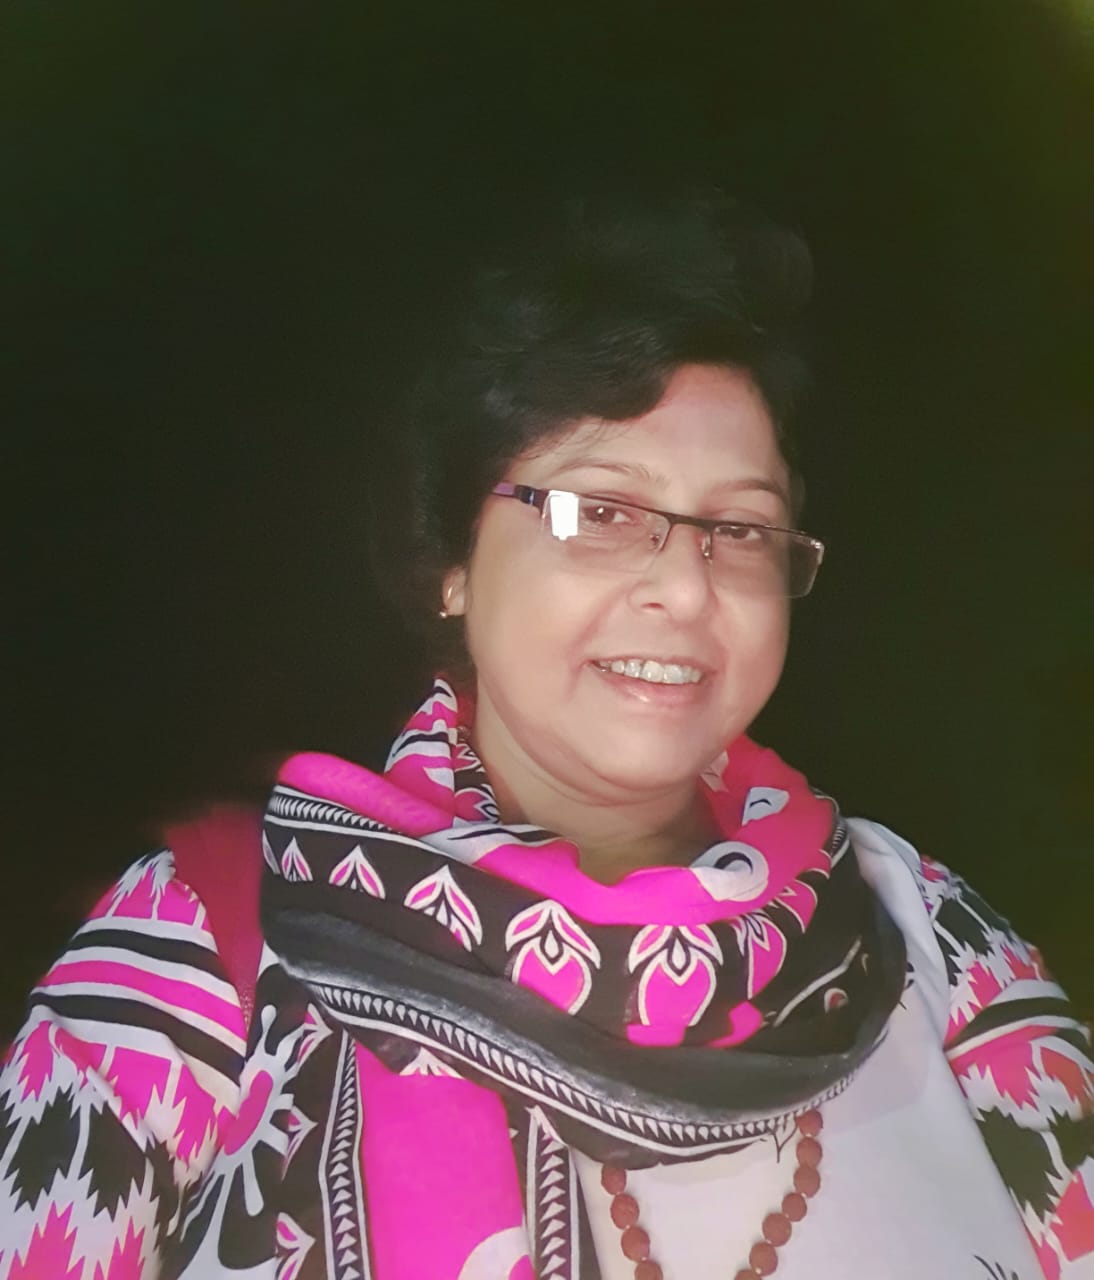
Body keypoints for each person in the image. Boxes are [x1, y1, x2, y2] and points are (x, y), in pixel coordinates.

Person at [0, 193, 1090, 1280]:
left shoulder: (923, 934)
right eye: (601, 512)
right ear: (452, 562)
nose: (684, 587)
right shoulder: (205, 939)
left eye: (738, 528)